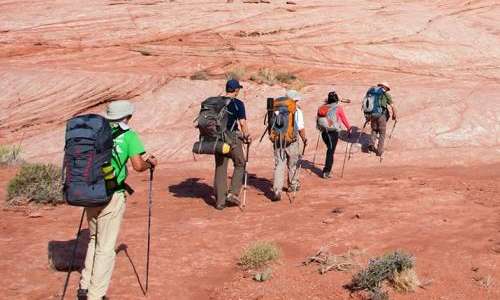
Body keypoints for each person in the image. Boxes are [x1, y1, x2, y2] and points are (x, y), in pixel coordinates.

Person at [78, 100, 157, 300]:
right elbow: (138, 165)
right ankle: (96, 295)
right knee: (106, 247)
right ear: (128, 116)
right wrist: (151, 163)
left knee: (94, 239)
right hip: (112, 195)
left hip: (90, 192)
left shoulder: (96, 132)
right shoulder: (129, 136)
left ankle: (84, 286)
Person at [214, 79, 252, 210]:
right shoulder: (238, 104)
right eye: (238, 89)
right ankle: (233, 193)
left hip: (217, 139)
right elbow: (242, 123)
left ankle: (220, 201)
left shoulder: (216, 102)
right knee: (240, 162)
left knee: (220, 167)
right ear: (235, 90)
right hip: (232, 137)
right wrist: (247, 135)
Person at [272, 90, 307, 201]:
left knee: (279, 165)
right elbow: (301, 128)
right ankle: (293, 185)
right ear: (293, 100)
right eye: (296, 100)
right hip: (292, 140)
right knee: (293, 164)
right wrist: (304, 139)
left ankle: (277, 190)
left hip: (278, 140)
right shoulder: (296, 110)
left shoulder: (276, 108)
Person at [318, 91, 351, 178]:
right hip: (332, 133)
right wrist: (348, 128)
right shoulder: (338, 108)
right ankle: (326, 171)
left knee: (330, 150)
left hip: (324, 132)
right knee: (330, 151)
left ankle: (327, 170)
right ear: (336, 99)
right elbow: (343, 118)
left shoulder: (323, 107)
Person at [368, 82, 397, 156]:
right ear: (385, 88)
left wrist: (367, 117)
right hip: (381, 115)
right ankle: (379, 151)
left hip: (372, 114)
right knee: (382, 133)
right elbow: (392, 106)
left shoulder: (372, 93)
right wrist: (394, 115)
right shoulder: (386, 95)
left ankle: (371, 145)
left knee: (374, 130)